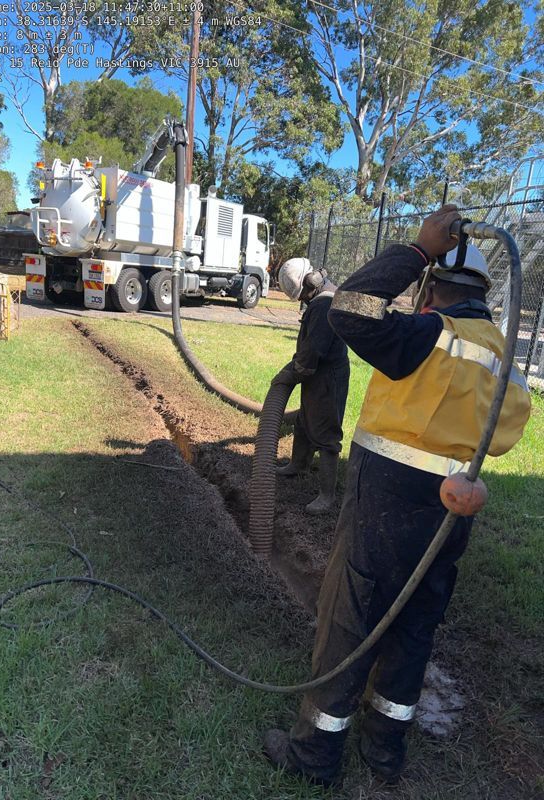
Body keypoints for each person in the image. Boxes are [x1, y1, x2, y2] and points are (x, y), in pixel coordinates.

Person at [263, 206, 531, 786]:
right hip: (449, 512)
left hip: (385, 499)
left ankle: (315, 756)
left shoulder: (428, 336)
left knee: (349, 619)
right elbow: (506, 435)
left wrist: (416, 250)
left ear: (432, 286)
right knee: (414, 626)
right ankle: (384, 752)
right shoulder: (501, 355)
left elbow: (349, 309)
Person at [273, 258, 350, 515]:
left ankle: (327, 496)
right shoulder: (322, 299)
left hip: (328, 378)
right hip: (319, 373)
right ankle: (298, 465)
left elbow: (311, 354)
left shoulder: (323, 304)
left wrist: (287, 376)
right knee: (304, 421)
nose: (301, 299)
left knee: (326, 433)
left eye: (301, 294)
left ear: (311, 282)